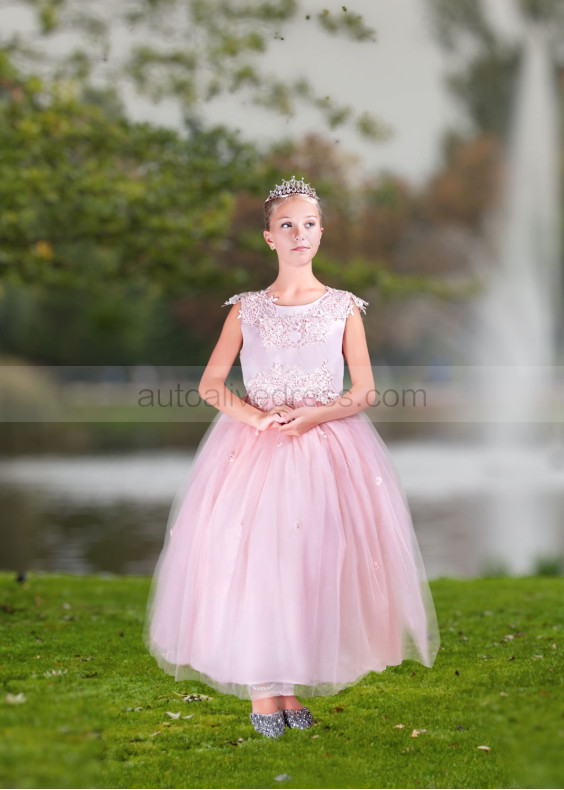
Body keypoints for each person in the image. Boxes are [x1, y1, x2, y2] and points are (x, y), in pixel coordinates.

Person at [143, 175, 440, 739]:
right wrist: (256, 418)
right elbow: (210, 384)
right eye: (287, 225)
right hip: (253, 451)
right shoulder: (247, 310)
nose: (298, 234)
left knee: (309, 562)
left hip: (325, 448)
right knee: (256, 560)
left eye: (308, 225)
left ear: (321, 234)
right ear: (268, 238)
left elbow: (363, 392)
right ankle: (262, 694)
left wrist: (314, 417)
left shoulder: (343, 308)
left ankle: (288, 685)